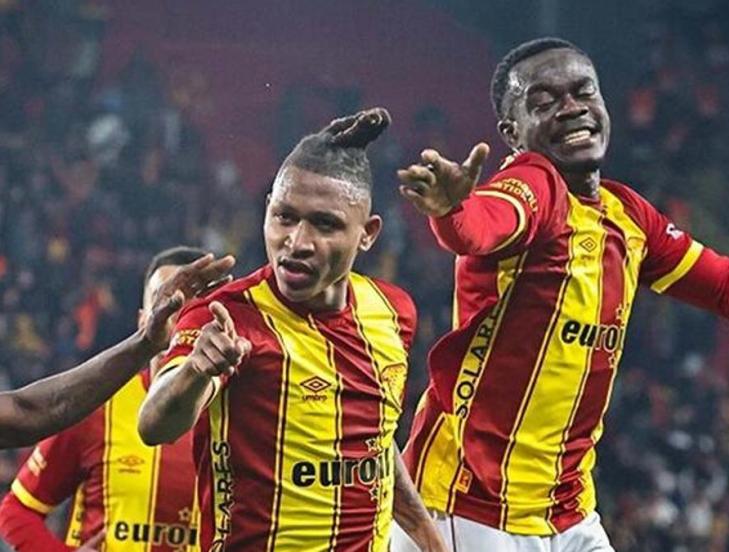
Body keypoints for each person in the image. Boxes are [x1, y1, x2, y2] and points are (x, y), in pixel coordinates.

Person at [394, 37, 729, 552]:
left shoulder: (627, 215)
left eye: (584, 92)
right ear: (512, 132)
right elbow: (484, 225)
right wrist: (453, 211)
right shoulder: (533, 185)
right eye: (544, 101)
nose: (571, 107)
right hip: (468, 505)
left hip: (568, 509)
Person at [138, 109, 447, 551]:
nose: (297, 242)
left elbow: (377, 442)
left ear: (368, 233)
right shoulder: (227, 317)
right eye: (284, 217)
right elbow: (154, 425)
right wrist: (195, 371)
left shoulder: (393, 311)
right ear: (267, 210)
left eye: (325, 224)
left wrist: (429, 537)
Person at [0, 246, 210, 551]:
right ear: (143, 320)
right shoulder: (97, 406)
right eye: (167, 303)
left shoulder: (246, 417)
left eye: (195, 308)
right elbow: (17, 510)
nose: (179, 321)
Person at [0, 253, 234, 450]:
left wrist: (146, 342)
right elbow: (31, 413)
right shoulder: (102, 419)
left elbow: (33, 411)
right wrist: (145, 342)